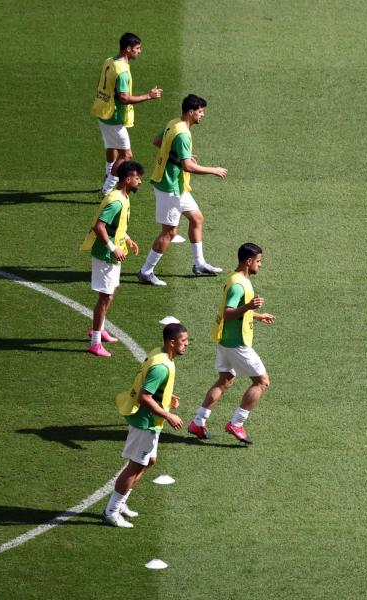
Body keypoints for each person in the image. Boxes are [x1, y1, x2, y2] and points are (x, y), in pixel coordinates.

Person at [136, 94, 228, 286]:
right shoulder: (184, 134)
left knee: (197, 218)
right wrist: (214, 170)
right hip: (170, 187)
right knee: (169, 232)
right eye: (200, 112)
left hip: (177, 186)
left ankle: (199, 263)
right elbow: (188, 167)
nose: (202, 115)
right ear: (191, 112)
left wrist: (179, 155)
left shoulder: (174, 123)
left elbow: (157, 141)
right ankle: (146, 271)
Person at [103, 322, 188, 528]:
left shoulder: (160, 353)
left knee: (149, 461)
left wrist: (166, 396)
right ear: (172, 342)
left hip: (150, 419)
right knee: (135, 465)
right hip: (146, 421)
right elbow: (144, 397)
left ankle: (121, 503)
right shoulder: (161, 366)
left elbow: (146, 383)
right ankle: (111, 511)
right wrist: (168, 415)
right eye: (184, 341)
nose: (186, 345)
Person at [188, 243, 274, 444]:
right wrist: (249, 306)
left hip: (225, 340)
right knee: (262, 382)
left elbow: (237, 313)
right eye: (259, 262)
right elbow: (228, 313)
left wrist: (257, 315)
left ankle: (198, 422)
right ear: (249, 261)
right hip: (237, 344)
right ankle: (237, 422)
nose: (260, 266)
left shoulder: (236, 279)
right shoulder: (238, 284)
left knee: (225, 379)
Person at [79, 160, 143, 357]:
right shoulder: (116, 201)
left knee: (113, 290)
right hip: (106, 255)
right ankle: (95, 341)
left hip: (114, 253)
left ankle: (99, 328)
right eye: (137, 178)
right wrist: (113, 247)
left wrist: (127, 239)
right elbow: (100, 226)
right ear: (127, 179)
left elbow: (117, 226)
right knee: (105, 296)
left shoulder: (123, 197)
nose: (140, 181)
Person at [91, 32, 162, 196]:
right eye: (137, 48)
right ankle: (108, 188)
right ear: (128, 49)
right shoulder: (122, 70)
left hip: (103, 111)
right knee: (126, 154)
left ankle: (108, 173)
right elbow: (123, 98)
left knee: (111, 146)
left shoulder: (110, 61)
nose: (140, 51)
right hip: (114, 117)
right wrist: (148, 96)